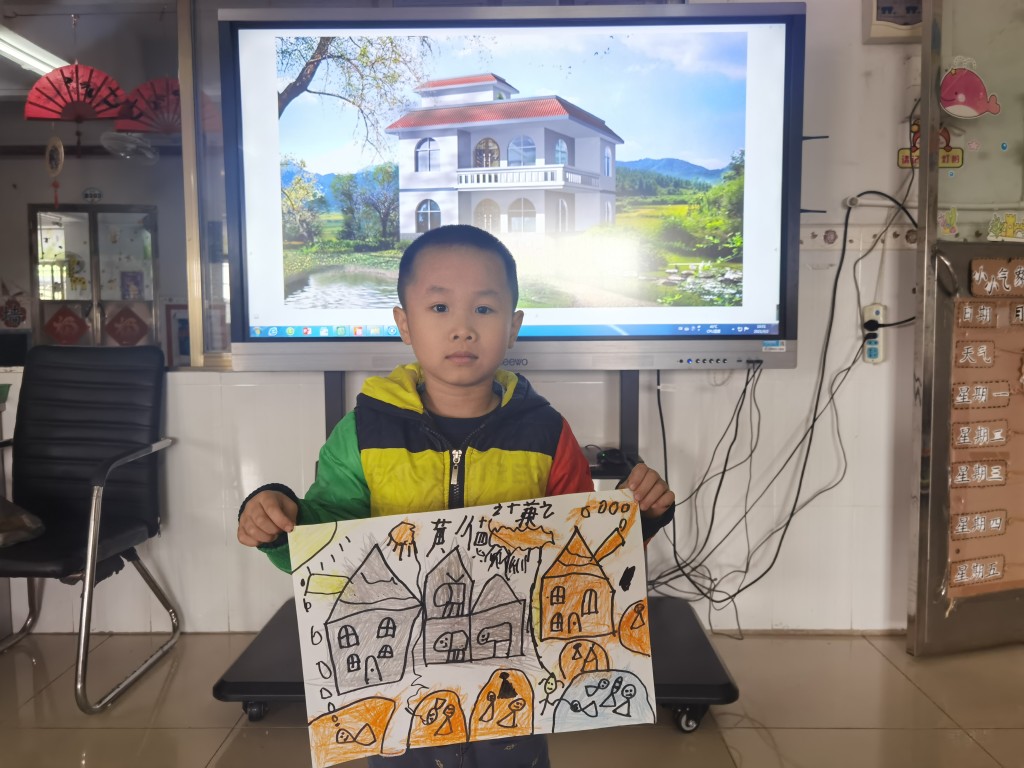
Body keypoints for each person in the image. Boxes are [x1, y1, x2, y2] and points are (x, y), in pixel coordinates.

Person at [237, 224, 675, 767]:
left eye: (484, 309)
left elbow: (579, 550)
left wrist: (640, 519)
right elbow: (327, 539)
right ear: (404, 323)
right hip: (402, 696)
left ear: (513, 327)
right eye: (439, 307)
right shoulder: (362, 432)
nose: (463, 328)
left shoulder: (548, 433)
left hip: (514, 683)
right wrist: (277, 517)